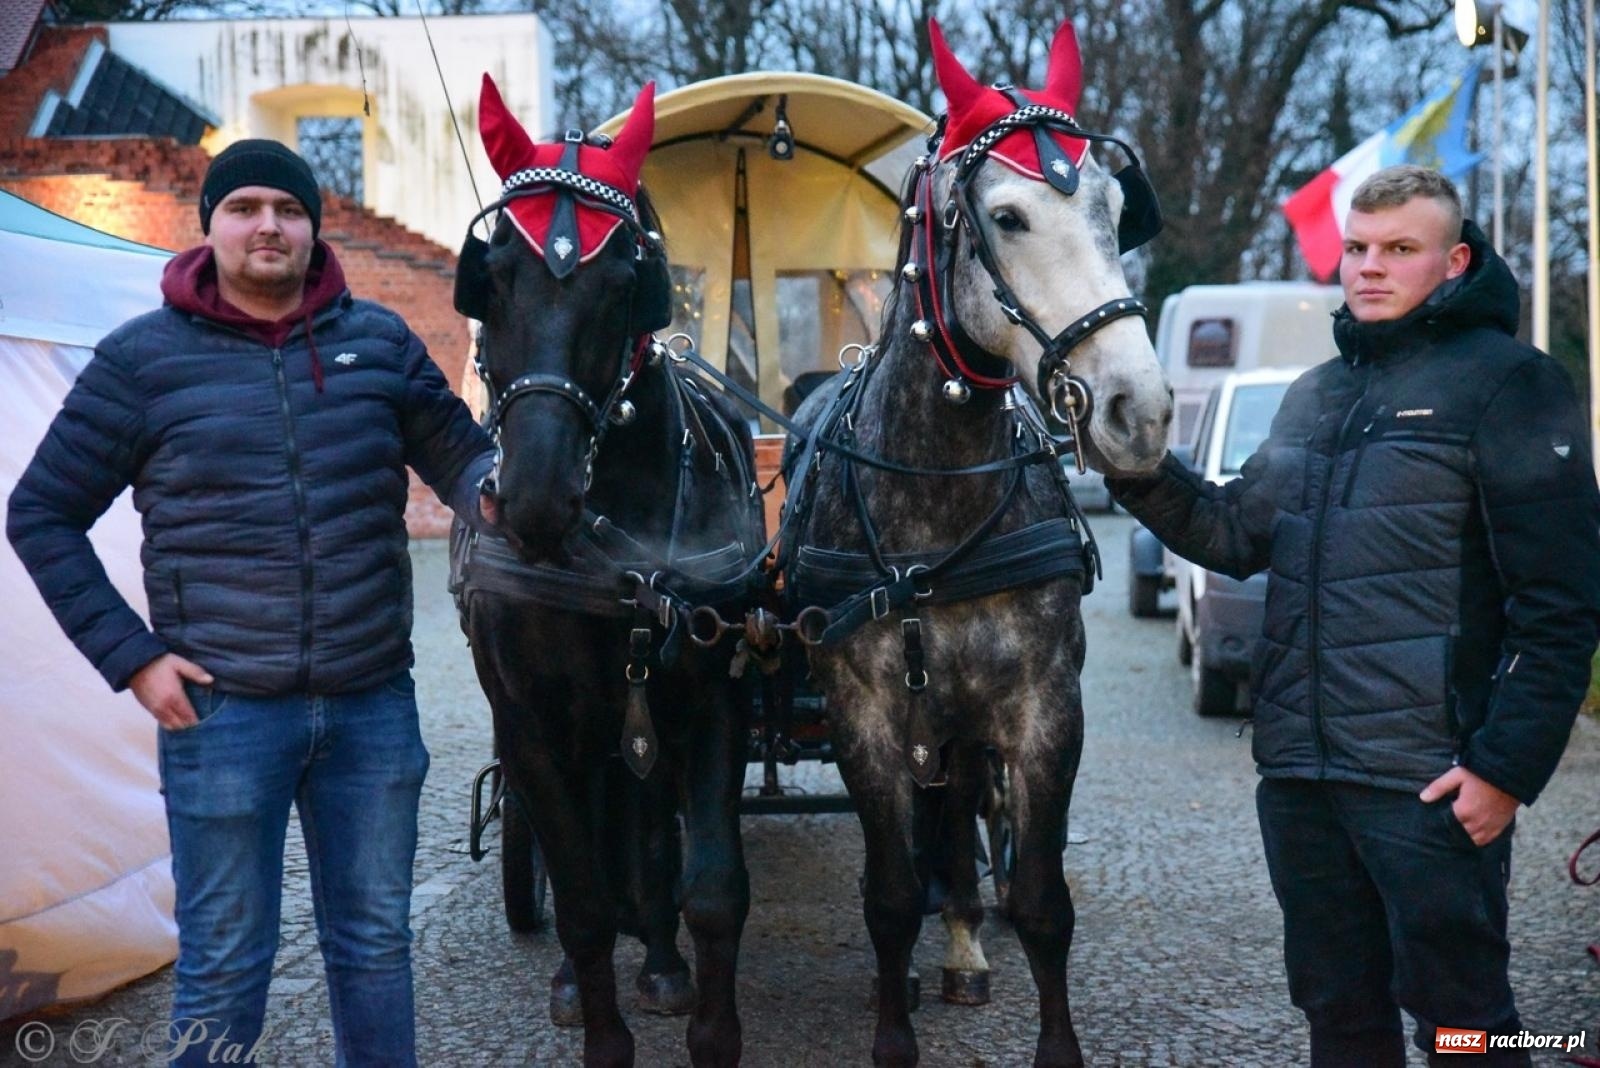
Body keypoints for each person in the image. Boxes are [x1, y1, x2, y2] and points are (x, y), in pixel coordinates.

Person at [7, 139, 494, 1066]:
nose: (268, 225)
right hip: (222, 713)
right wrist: (132, 657)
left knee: (376, 950)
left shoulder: (380, 342)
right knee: (225, 971)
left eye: (288, 209)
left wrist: (501, 488)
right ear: (212, 227)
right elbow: (40, 514)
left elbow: (463, 459)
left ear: (312, 229)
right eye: (245, 207)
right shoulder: (142, 361)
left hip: (370, 708)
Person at [1109, 164, 1600, 1067]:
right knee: (1339, 1019)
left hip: (1429, 785)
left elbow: (1562, 608)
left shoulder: (1513, 385)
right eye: (1358, 248)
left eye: (1399, 249)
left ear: (1454, 261)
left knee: (1466, 1031)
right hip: (1301, 783)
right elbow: (1233, 532)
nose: (1370, 267)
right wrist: (1131, 463)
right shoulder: (1318, 394)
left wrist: (1503, 772)